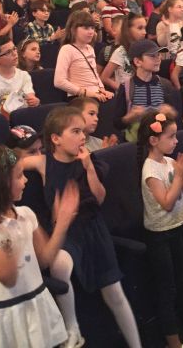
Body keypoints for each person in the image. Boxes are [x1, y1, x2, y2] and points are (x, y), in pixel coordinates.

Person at [22, 107, 143, 348]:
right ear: (56, 138)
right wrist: (9, 152)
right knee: (59, 263)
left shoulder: (90, 161)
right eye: (75, 131)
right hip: (66, 232)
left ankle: (136, 345)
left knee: (115, 294)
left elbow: (99, 198)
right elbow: (9, 159)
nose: (82, 136)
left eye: (82, 131)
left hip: (93, 229)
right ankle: (71, 326)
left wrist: (88, 168)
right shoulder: (44, 163)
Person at [0, 143, 79, 348]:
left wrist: (62, 224)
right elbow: (8, 278)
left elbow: (44, 258)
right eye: (19, 176)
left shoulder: (26, 214)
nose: (25, 180)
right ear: (0, 185)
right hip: (9, 315)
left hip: (36, 304)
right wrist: (11, 232)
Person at [137, 110, 183, 348]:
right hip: (159, 234)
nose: (176, 141)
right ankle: (174, 342)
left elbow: (181, 193)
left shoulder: (168, 162)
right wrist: (179, 175)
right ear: (153, 140)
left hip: (176, 227)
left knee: (181, 280)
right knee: (166, 288)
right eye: (171, 136)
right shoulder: (150, 170)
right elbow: (166, 203)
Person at [113, 39, 177, 142]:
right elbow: (117, 123)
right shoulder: (126, 87)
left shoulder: (165, 84)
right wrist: (129, 117)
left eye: (158, 55)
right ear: (137, 61)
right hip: (136, 142)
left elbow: (174, 116)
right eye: (152, 56)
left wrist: (170, 113)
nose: (158, 59)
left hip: (160, 141)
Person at [54, 10, 113, 102]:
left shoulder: (90, 48)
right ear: (73, 29)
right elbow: (59, 81)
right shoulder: (67, 49)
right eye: (86, 28)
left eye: (92, 28)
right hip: (79, 98)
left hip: (95, 94)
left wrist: (102, 90)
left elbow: (94, 74)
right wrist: (86, 93)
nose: (91, 32)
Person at [101, 13, 147, 91]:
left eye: (145, 28)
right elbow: (104, 78)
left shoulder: (145, 48)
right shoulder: (121, 52)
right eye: (140, 28)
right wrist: (124, 90)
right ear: (128, 30)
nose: (144, 32)